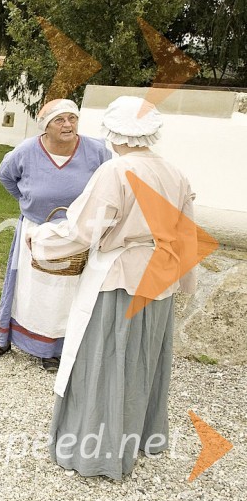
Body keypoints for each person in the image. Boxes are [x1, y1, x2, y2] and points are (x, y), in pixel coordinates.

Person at [28, 96, 196, 480]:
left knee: (105, 361)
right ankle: (138, 438)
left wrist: (39, 239)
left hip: (119, 279)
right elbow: (187, 234)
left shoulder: (116, 171)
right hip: (160, 278)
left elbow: (83, 229)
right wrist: (182, 281)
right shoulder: (174, 172)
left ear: (113, 130)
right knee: (142, 360)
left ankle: (96, 452)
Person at [0, 99, 112, 371]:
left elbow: (109, 182)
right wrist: (27, 201)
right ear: (46, 127)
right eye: (60, 120)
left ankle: (54, 348)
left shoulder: (97, 151)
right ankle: (7, 339)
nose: (68, 125)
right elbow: (6, 176)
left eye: (72, 118)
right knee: (27, 290)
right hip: (36, 230)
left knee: (65, 293)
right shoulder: (26, 151)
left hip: (76, 233)